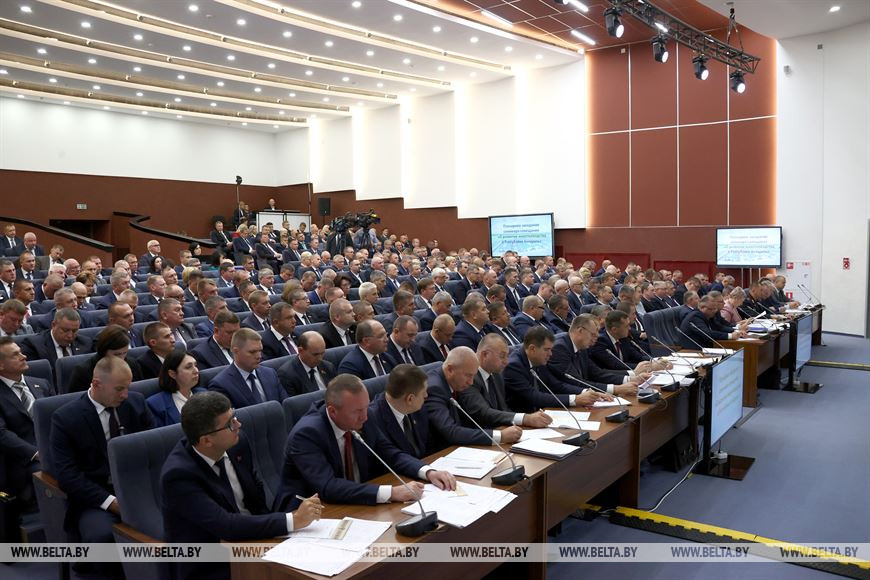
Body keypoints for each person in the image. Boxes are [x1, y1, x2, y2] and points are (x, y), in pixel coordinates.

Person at [274, 374, 455, 509]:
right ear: (333, 411)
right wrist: (392, 492)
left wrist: (428, 472)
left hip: (356, 501)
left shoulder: (364, 418)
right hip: (310, 511)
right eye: (357, 411)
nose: (365, 416)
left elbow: (390, 454)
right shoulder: (307, 434)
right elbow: (328, 487)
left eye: (366, 408)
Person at [50, 357, 153, 579]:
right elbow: (68, 476)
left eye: (127, 387)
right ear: (96, 384)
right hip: (95, 498)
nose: (125, 394)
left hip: (139, 489)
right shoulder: (66, 418)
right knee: (102, 537)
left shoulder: (136, 403)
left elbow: (152, 452)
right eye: (119, 389)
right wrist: (110, 502)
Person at [425, 346, 523, 451]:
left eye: (473, 376)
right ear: (450, 369)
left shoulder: (453, 381)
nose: (471, 382)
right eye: (468, 375)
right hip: (439, 453)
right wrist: (500, 436)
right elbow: (451, 432)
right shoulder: (434, 389)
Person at [0, 337, 54, 512]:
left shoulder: (42, 384)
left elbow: (59, 417)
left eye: (21, 352)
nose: (23, 356)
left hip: (55, 447)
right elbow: (2, 434)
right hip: (24, 459)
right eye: (15, 355)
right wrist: (37, 453)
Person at [504, 326, 613, 413]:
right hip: (523, 419)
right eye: (547, 350)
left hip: (542, 413)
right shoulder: (513, 366)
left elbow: (556, 385)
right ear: (532, 348)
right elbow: (535, 397)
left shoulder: (538, 359)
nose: (550, 354)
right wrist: (576, 399)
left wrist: (589, 393)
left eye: (551, 349)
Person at [458, 333, 552, 431]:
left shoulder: (497, 374)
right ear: (485, 355)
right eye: (502, 356)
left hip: (501, 430)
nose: (506, 362)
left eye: (507, 356)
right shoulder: (469, 378)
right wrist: (525, 418)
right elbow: (483, 413)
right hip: (480, 435)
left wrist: (526, 420)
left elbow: (503, 409)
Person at [208, 328, 285, 407]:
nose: (259, 356)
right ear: (236, 351)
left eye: (260, 351)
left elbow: (285, 406)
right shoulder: (221, 385)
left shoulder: (270, 373)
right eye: (252, 352)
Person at [367, 364, 431, 458]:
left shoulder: (418, 408)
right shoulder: (373, 420)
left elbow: (429, 444)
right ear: (410, 399)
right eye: (423, 392)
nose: (426, 395)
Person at [66, 325, 144, 393]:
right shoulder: (83, 372)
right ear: (103, 351)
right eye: (116, 354)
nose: (121, 359)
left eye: (124, 353)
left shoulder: (132, 365)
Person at [147, 351, 206, 426]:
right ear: (172, 374)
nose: (196, 371)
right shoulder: (156, 404)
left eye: (195, 365)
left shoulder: (204, 393)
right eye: (188, 367)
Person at [20, 308, 93, 369]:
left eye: (74, 331)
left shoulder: (85, 343)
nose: (70, 335)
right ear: (53, 325)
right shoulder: (34, 346)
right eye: (65, 330)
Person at [277, 331, 336, 396]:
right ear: (300, 351)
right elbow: (294, 402)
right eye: (315, 354)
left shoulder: (328, 367)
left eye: (322, 353)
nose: (320, 358)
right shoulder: (287, 375)